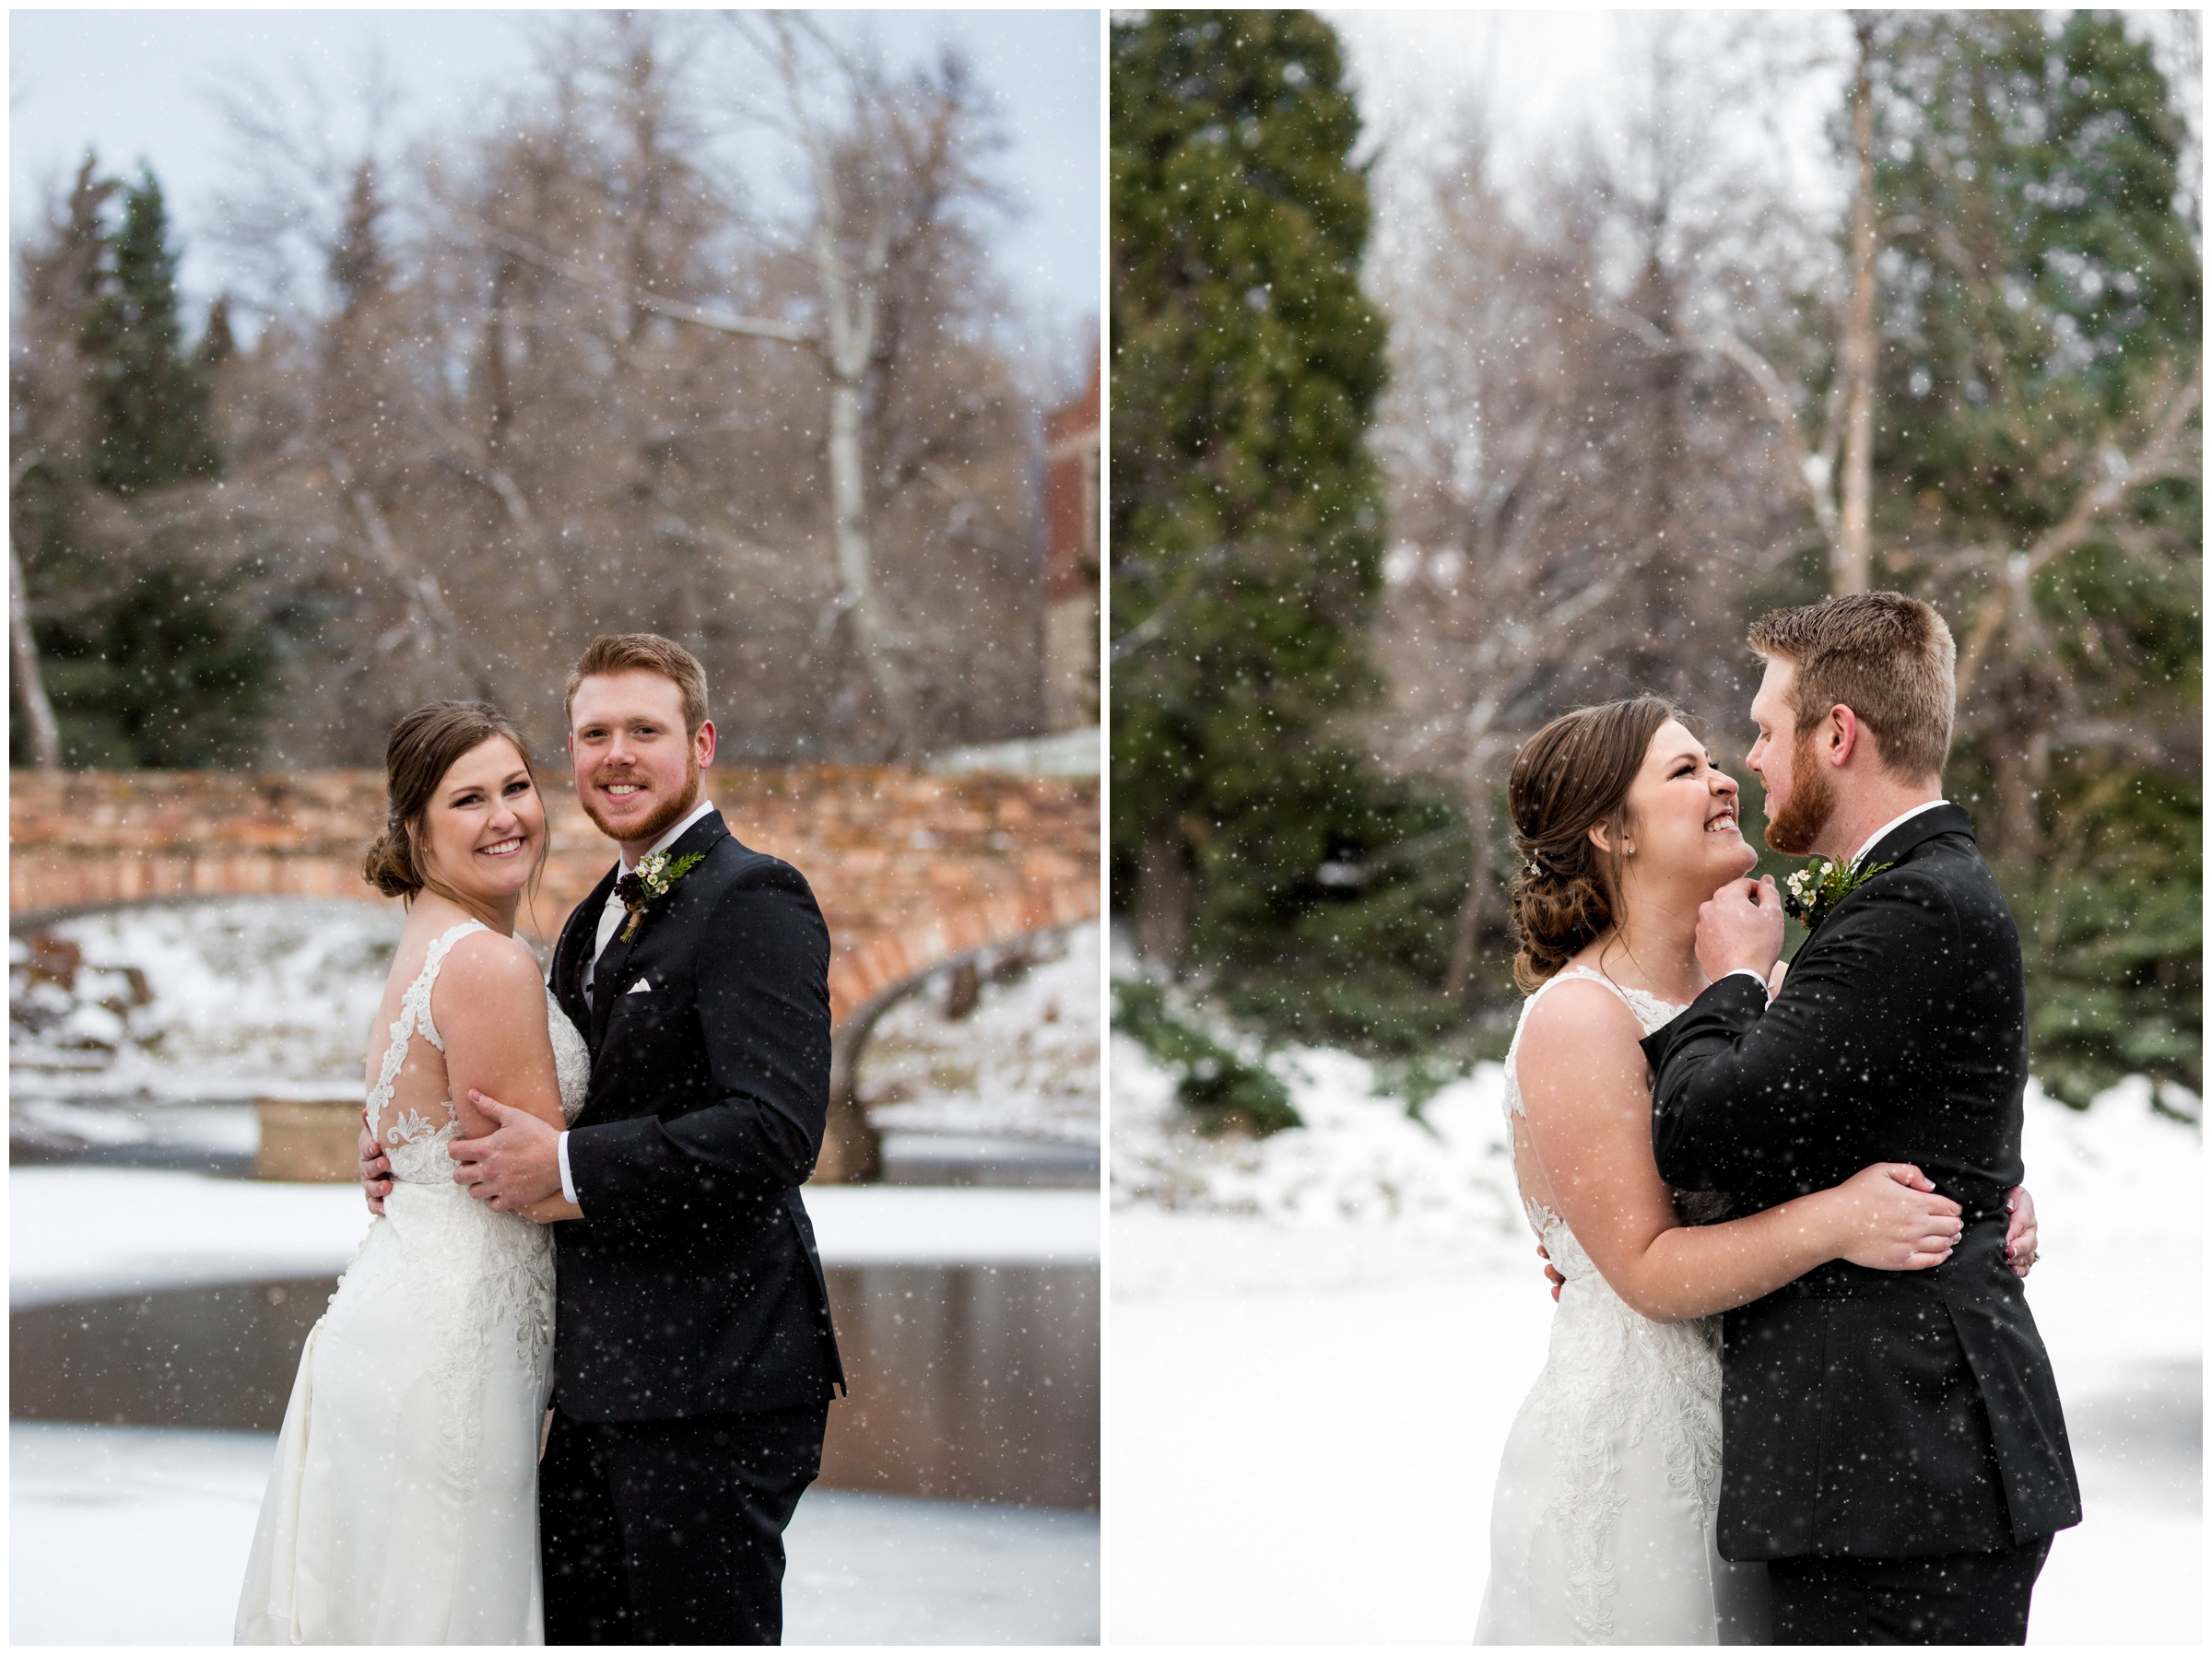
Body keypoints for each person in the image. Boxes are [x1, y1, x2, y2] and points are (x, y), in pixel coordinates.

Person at [366, 632, 845, 1644]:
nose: (616, 754)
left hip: (715, 1375)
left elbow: (776, 1130)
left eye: (644, 729)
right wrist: (422, 1159)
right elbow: (545, 1095)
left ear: (702, 742)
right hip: (601, 1387)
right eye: (593, 733)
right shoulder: (589, 917)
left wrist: (568, 1167)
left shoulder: (754, 897)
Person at [1641, 593, 2078, 1643]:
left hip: (1898, 1471)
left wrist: (1735, 984)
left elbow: (1704, 1128)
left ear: (1837, 733)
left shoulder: (1912, 906)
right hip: (1883, 1465)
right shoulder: (1909, 895)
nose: (1751, 760)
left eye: (1764, 727)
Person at [237, 701, 589, 1643]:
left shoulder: (430, 940)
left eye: (516, 786)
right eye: (466, 798)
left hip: (403, 1317)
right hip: (459, 1345)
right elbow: (543, 1179)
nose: (504, 815)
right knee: (445, 1609)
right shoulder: (488, 965)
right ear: (415, 825)